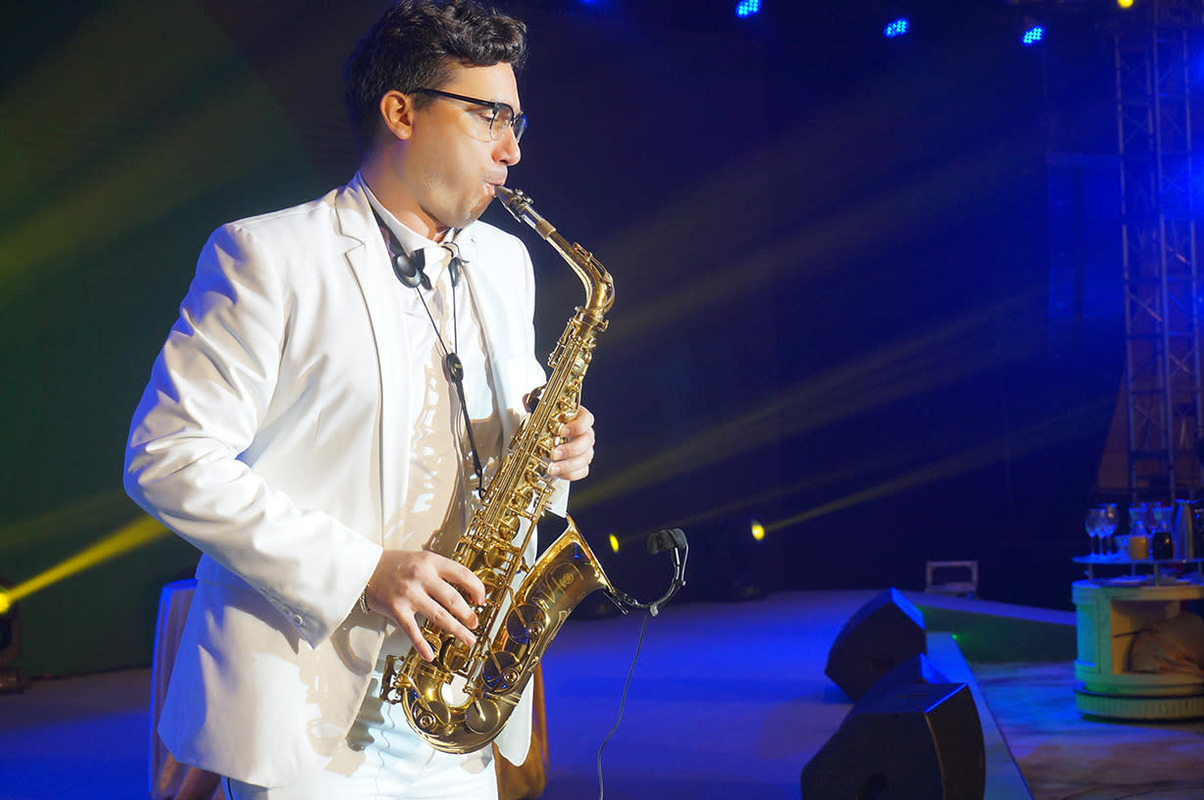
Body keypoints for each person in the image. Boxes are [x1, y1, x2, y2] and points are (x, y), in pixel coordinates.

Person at [124, 2, 596, 798]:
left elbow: (504, 448)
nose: (511, 150)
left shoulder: (506, 262)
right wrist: (365, 571)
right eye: (489, 117)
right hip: (307, 707)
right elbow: (166, 458)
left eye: (516, 122)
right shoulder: (267, 255)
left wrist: (554, 450)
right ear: (401, 113)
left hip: (461, 693)